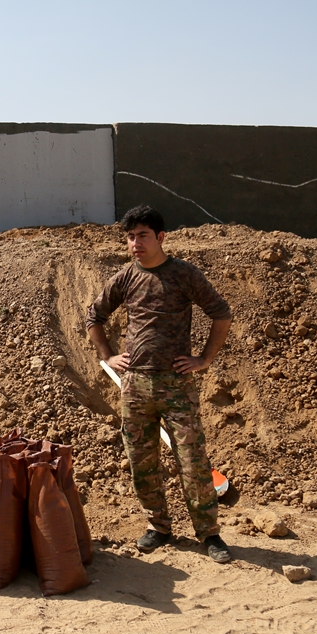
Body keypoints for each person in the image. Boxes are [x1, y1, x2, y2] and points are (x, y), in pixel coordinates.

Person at [85, 204, 235, 563]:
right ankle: (158, 526)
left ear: (161, 237)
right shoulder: (125, 277)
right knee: (141, 460)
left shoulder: (184, 274)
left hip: (176, 384)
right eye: (130, 237)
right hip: (135, 385)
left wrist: (204, 359)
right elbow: (94, 317)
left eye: (143, 235)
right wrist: (108, 356)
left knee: (192, 461)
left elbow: (221, 314)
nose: (136, 243)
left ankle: (209, 533)